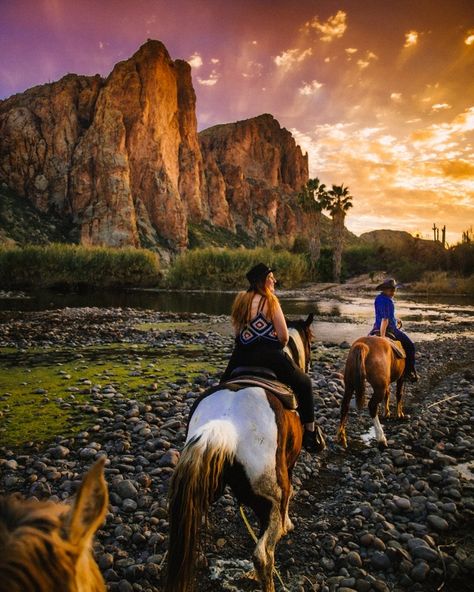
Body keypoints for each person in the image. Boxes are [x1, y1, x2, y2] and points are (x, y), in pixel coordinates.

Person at [221, 262, 322, 452]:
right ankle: (310, 433)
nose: (274, 280)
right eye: (270, 278)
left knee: (222, 384)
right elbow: (284, 337)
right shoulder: (271, 301)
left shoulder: (241, 300)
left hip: (241, 356)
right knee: (305, 383)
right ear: (263, 282)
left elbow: (237, 334)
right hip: (270, 357)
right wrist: (272, 343)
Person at [370, 278, 418, 382]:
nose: (393, 292)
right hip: (389, 329)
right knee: (410, 346)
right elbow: (385, 319)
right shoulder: (389, 301)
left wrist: (396, 320)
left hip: (376, 328)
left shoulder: (378, 298)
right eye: (391, 290)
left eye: (394, 290)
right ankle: (409, 372)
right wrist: (382, 337)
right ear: (385, 289)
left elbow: (385, 316)